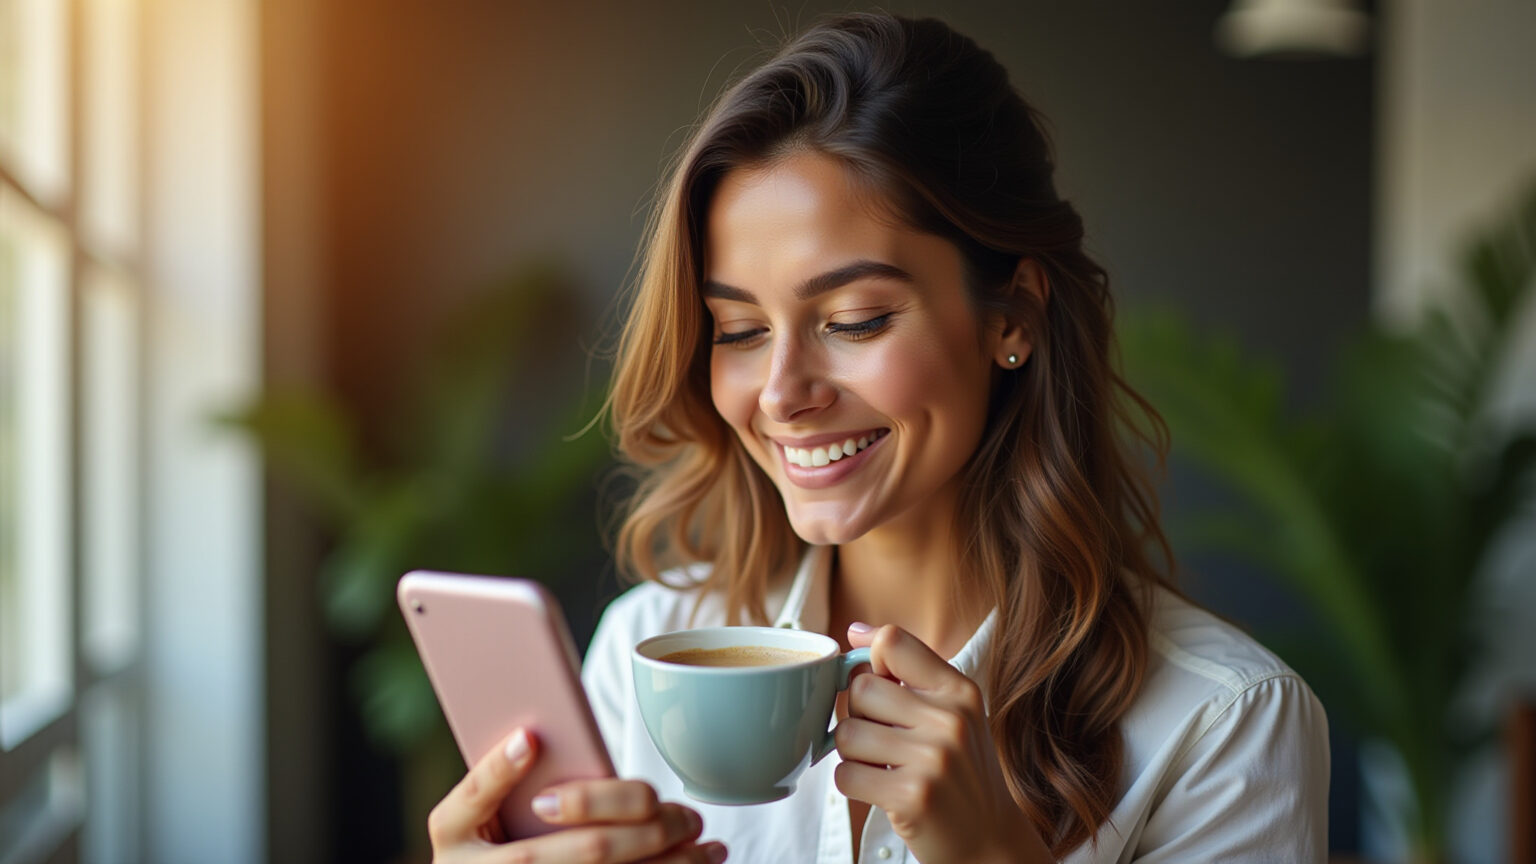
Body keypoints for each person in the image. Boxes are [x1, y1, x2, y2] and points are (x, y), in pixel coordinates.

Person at [426, 12, 1330, 864]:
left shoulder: (1223, 722)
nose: (782, 394)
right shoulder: (650, 647)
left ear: (1011, 316)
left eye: (855, 320)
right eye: (739, 332)